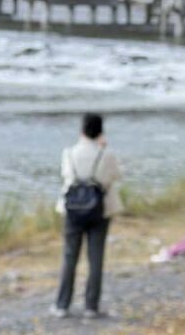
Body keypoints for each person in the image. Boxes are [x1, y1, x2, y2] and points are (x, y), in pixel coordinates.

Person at [51, 113, 122, 319]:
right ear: (100, 131)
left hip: (72, 210)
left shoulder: (69, 153)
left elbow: (66, 176)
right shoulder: (106, 154)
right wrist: (103, 147)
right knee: (96, 257)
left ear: (81, 130)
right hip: (99, 210)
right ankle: (91, 306)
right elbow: (117, 175)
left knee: (69, 256)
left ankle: (62, 305)